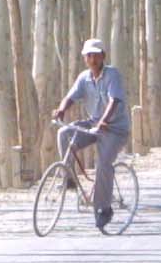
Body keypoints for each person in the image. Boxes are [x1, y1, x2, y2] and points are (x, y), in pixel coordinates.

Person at [51, 38, 131, 228]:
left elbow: (114, 100)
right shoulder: (84, 78)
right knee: (64, 133)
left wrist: (105, 120)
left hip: (115, 129)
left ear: (103, 56)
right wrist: (61, 110)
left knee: (103, 163)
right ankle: (69, 179)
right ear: (85, 58)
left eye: (96, 55)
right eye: (89, 55)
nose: (92, 59)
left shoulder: (113, 75)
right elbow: (70, 97)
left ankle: (104, 208)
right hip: (93, 124)